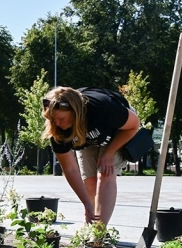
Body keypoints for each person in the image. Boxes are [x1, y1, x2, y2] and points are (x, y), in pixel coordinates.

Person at [42, 87, 140, 224]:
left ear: (74, 111)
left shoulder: (102, 107)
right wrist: (86, 204)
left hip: (117, 130)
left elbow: (133, 126)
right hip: (85, 136)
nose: (57, 123)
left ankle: (99, 235)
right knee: (89, 181)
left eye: (61, 118)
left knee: (105, 173)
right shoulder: (58, 129)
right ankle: (93, 225)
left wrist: (109, 153)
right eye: (53, 119)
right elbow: (70, 169)